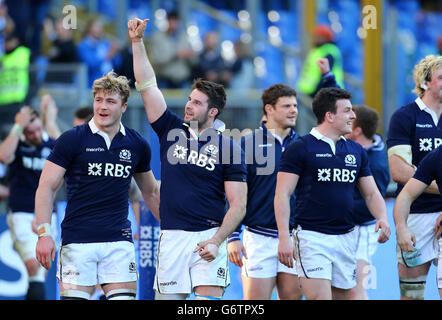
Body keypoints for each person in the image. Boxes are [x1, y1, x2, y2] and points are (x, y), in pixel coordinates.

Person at [129, 18, 247, 300]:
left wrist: (218, 241)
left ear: (213, 112)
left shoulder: (229, 147)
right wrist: (137, 43)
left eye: (197, 103)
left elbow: (239, 204)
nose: (189, 106)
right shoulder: (170, 128)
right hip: (172, 237)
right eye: (190, 100)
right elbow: (147, 85)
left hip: (209, 235)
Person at [34, 71, 160, 300]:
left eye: (110, 101)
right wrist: (44, 233)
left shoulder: (137, 144)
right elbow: (46, 187)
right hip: (77, 242)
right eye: (99, 99)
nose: (102, 106)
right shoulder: (72, 139)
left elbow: (150, 191)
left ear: (123, 107)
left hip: (119, 242)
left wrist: (173, 230)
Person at [275, 87, 390, 300]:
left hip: (347, 237)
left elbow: (372, 194)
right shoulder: (300, 148)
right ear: (329, 116)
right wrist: (284, 236)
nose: (353, 116)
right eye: (347, 111)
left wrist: (383, 217)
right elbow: (282, 194)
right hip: (312, 237)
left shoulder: (356, 151)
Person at [227, 84, 302, 300]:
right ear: (269, 109)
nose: (294, 110)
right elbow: (232, 194)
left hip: (294, 237)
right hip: (258, 238)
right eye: (286, 106)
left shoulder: (303, 146)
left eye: (295, 105)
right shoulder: (246, 145)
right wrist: (233, 236)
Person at [387, 54, 442, 300]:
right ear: (426, 82)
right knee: (412, 295)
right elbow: (399, 172)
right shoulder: (405, 116)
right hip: (415, 216)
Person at [0, 106, 57, 300]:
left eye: (38, 130)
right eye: (30, 132)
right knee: (34, 265)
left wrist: (50, 121)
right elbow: (3, 156)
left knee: (41, 271)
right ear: (24, 132)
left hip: (48, 214)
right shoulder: (16, 144)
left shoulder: (52, 144)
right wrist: (18, 126)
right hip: (21, 213)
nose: (35, 135)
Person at [345, 105, 390, 300]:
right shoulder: (352, 148)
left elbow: (371, 205)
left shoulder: (376, 163)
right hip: (345, 228)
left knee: (356, 288)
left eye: (350, 121)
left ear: (358, 130)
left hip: (361, 231)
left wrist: (336, 209)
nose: (345, 123)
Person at [394, 145, 442, 299]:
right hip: (420, 223)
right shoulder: (437, 156)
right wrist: (401, 227)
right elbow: (406, 195)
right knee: (411, 295)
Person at [148, 10, 197, 89]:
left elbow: (194, 61)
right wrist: (175, 56)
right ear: (167, 21)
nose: (174, 23)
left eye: (176, 21)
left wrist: (190, 56)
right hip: (164, 80)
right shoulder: (157, 38)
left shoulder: (185, 37)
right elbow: (155, 60)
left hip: (183, 80)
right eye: (172, 20)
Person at [298, 25, 344, 98]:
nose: (315, 38)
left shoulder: (329, 51)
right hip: (310, 91)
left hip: (326, 92)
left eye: (319, 36)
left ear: (325, 37)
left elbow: (326, 73)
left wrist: (319, 93)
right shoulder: (318, 50)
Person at [77, 17, 121, 88]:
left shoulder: (105, 43)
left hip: (109, 83)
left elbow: (118, 63)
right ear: (89, 29)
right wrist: (108, 55)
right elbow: (90, 64)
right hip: (92, 84)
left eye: (101, 27)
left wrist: (116, 53)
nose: (100, 29)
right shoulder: (84, 45)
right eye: (97, 27)